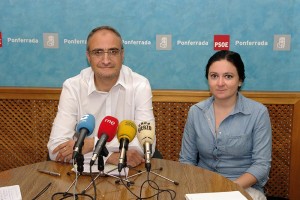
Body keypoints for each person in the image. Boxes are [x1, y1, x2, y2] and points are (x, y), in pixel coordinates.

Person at [47, 25, 156, 168]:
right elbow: (56, 150)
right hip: (81, 175)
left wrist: (92, 143)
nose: (106, 60)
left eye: (113, 51)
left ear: (122, 55)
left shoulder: (140, 85)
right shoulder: (73, 86)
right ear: (88, 56)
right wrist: (109, 156)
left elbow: (146, 145)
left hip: (129, 175)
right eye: (98, 52)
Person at [179, 50, 272, 200]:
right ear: (207, 79)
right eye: (214, 76)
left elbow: (261, 165)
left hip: (243, 187)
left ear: (240, 80)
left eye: (228, 76)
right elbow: (186, 160)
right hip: (203, 187)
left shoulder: (258, 113)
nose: (220, 83)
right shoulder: (196, 112)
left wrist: (227, 188)